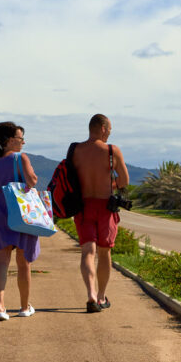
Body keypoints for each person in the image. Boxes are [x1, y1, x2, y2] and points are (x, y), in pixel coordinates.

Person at [0, 122, 40, 321]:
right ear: (10, 140)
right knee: (23, 263)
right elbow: (31, 181)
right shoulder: (21, 158)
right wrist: (33, 176)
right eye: (20, 138)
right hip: (22, 215)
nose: (23, 142)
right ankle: (24, 307)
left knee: (2, 263)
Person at [72, 114, 129, 312]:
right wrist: (110, 184)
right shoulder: (112, 151)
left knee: (88, 251)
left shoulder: (76, 150)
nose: (110, 133)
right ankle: (102, 296)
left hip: (83, 206)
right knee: (104, 253)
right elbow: (123, 181)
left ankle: (91, 295)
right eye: (110, 129)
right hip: (105, 207)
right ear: (103, 128)